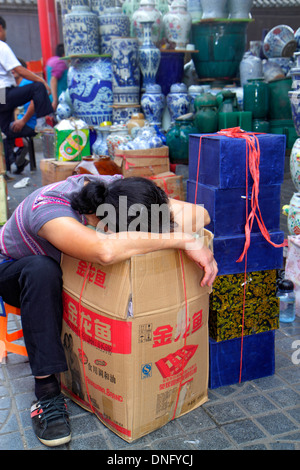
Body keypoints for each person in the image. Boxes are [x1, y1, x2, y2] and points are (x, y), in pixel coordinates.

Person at [0, 173, 218, 447]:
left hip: (68, 276)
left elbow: (200, 214)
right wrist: (185, 241)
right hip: (13, 271)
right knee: (42, 270)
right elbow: (104, 250)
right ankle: (46, 393)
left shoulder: (118, 191)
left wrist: (166, 233)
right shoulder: (50, 210)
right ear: (106, 225)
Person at [0, 16, 54, 178]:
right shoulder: (1, 46)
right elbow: (20, 69)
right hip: (3, 91)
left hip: (1, 95)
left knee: (5, 130)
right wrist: (41, 80)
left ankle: (5, 170)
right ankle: (43, 121)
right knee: (37, 87)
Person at [5, 58, 37, 174]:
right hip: (16, 122)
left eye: (15, 68)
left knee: (4, 134)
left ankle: (10, 165)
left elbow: (34, 102)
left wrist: (23, 121)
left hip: (28, 123)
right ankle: (17, 159)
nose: (12, 71)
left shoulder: (28, 84)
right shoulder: (10, 86)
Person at [46, 43, 68, 111]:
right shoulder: (60, 62)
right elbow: (53, 80)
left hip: (51, 97)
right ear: (64, 53)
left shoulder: (51, 60)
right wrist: (55, 101)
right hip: (60, 99)